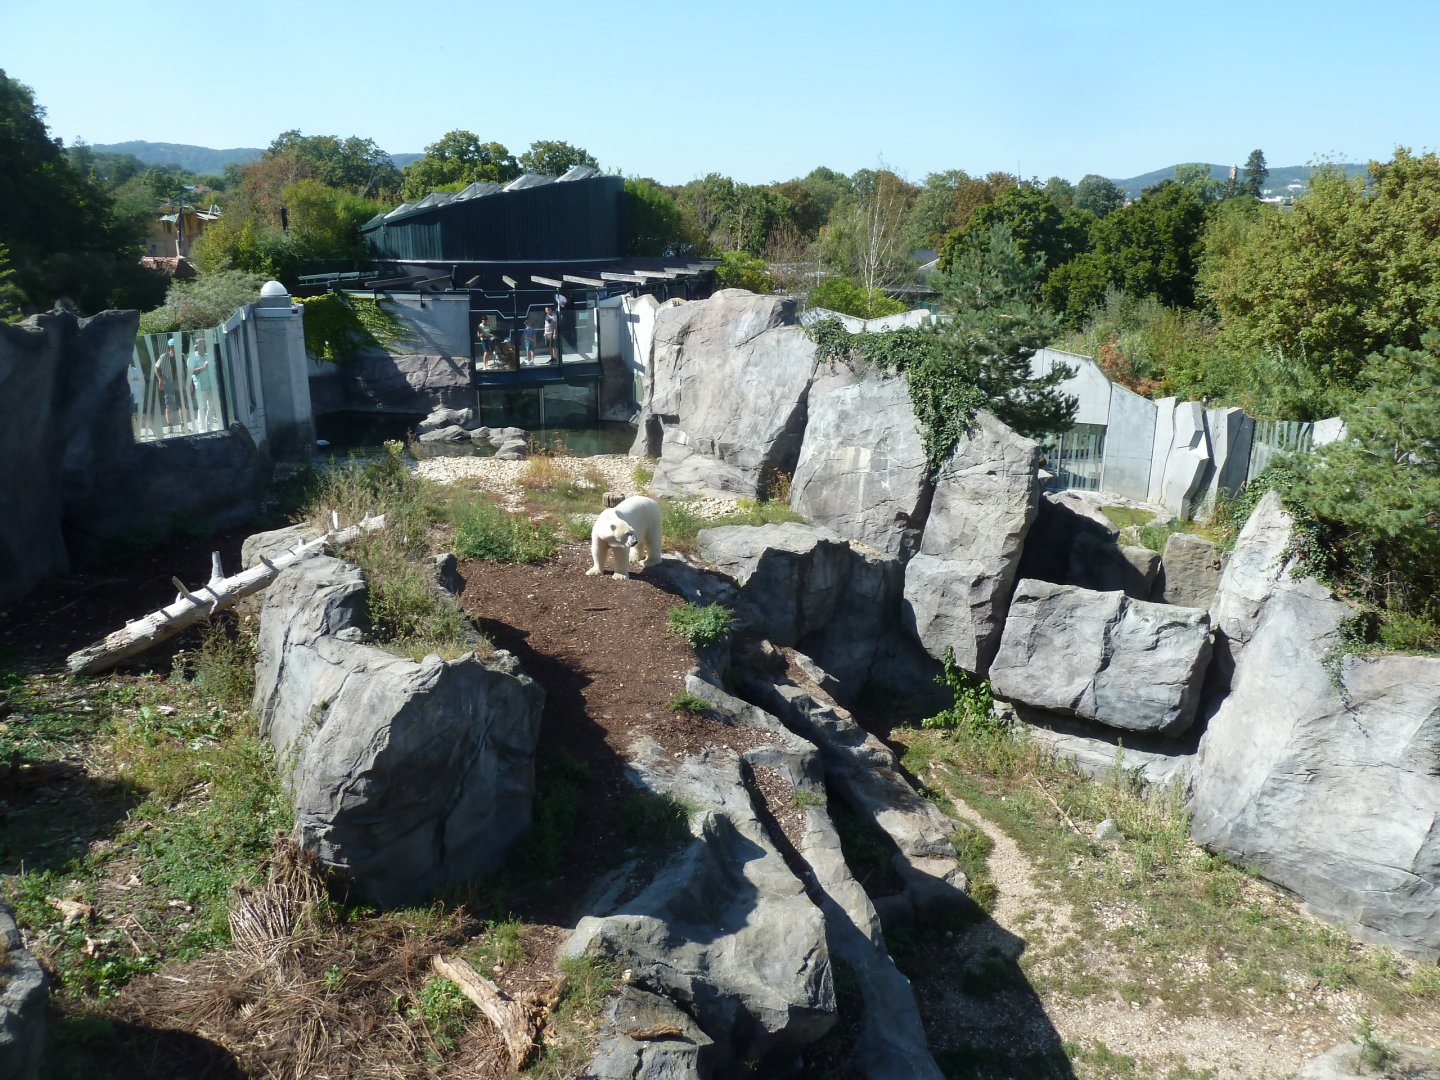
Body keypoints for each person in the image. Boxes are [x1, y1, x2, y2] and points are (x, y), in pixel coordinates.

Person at [188, 337, 220, 431]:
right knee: (202, 408)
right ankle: (202, 429)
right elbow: (191, 372)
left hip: (212, 385)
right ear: (196, 346)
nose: (202, 346)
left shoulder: (208, 356)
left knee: (212, 407)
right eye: (200, 344)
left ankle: (209, 428)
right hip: (201, 387)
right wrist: (203, 367)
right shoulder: (192, 358)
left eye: (203, 344)